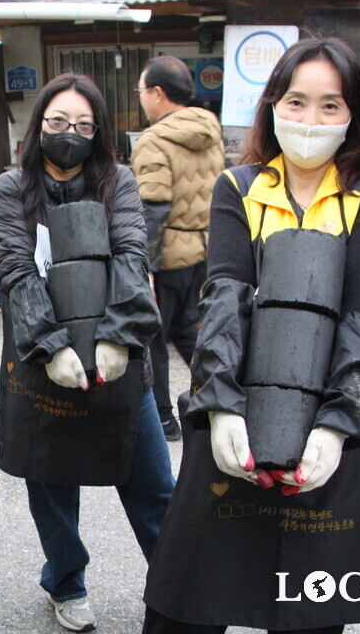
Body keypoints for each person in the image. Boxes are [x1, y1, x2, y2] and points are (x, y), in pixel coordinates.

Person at [142, 37, 360, 633]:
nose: (310, 119)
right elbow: (223, 300)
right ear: (273, 103)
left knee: (310, 601)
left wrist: (337, 423)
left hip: (329, 417)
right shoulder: (239, 187)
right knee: (187, 595)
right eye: (297, 101)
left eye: (331, 105)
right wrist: (221, 406)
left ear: (352, 115)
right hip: (242, 411)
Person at [0, 72, 174, 632]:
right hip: (42, 360)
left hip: (118, 363)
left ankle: (174, 584)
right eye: (59, 122)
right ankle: (66, 583)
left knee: (152, 486)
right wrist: (49, 346)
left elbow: (130, 251)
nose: (70, 133)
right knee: (51, 484)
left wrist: (121, 334)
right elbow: (16, 267)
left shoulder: (116, 179)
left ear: (99, 132)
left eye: (84, 125)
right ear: (39, 123)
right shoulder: (12, 187)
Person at [131, 56, 225, 441]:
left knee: (153, 339)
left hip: (167, 255)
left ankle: (164, 421)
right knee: (188, 329)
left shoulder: (155, 139)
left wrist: (144, 265)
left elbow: (153, 207)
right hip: (202, 248)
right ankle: (219, 397)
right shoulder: (209, 129)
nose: (141, 99)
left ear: (157, 92)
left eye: (141, 90)